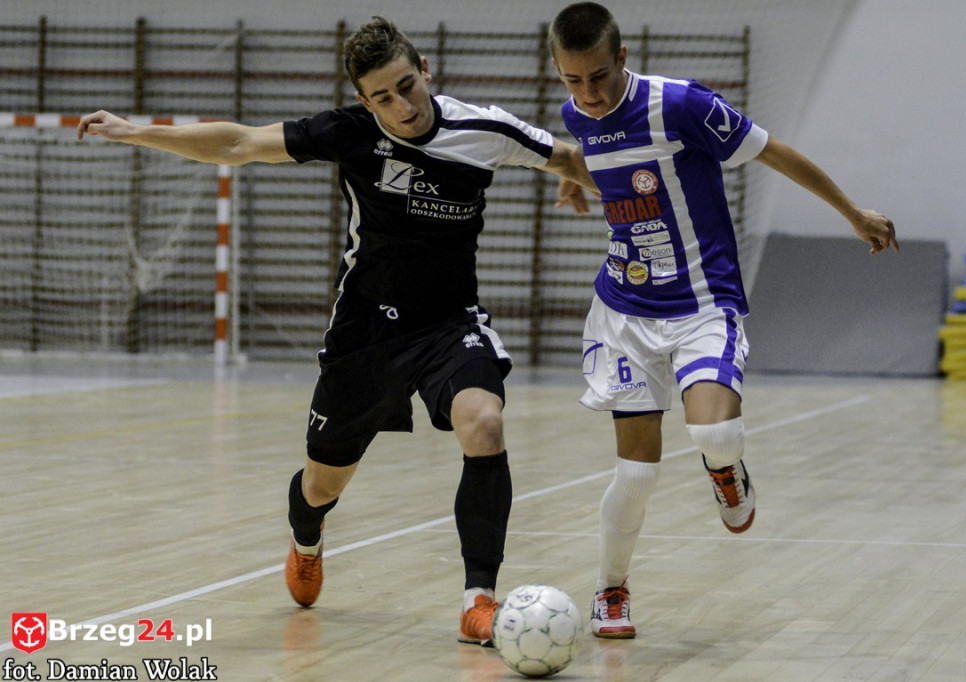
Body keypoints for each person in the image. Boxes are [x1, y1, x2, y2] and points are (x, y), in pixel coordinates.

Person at [78, 16, 594, 647]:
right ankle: (306, 535)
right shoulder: (349, 135)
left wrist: (573, 174)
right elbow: (239, 143)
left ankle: (477, 601)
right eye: (383, 97)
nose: (401, 106)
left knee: (484, 423)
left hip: (448, 324)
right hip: (366, 333)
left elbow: (567, 153)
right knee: (322, 484)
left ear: (425, 69)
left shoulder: (482, 129)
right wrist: (136, 133)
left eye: (408, 86)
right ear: (363, 99)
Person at [548, 2, 898, 639]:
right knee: (635, 473)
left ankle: (726, 471)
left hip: (704, 304)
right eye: (572, 80)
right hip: (625, 312)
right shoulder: (577, 114)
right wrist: (575, 178)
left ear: (622, 58)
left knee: (714, 435)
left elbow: (776, 153)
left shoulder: (681, 106)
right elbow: (600, 162)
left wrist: (852, 213)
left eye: (598, 76)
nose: (588, 94)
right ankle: (612, 590)